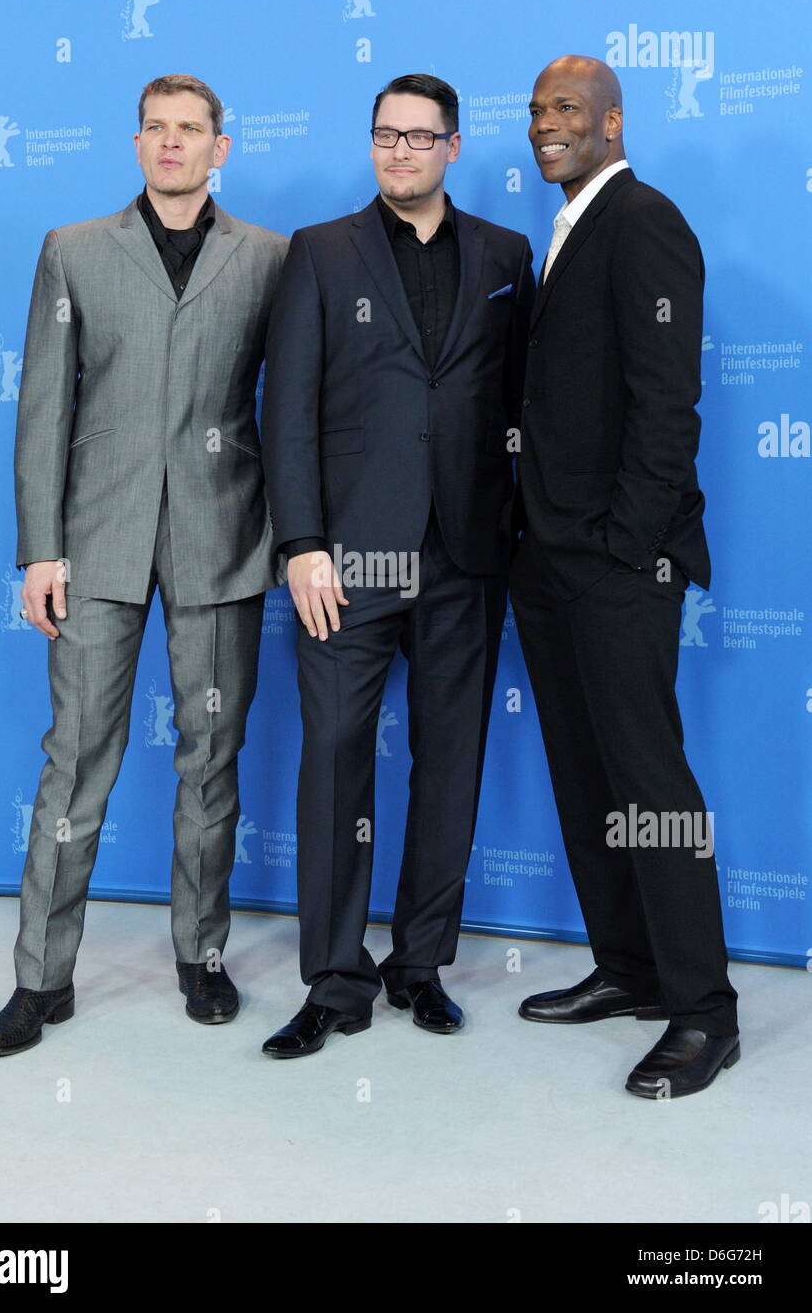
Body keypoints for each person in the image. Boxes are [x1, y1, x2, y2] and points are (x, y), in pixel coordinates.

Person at [0, 74, 288, 1057]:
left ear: (220, 148)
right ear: (135, 142)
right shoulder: (72, 252)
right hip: (96, 544)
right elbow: (43, 412)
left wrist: (290, 533)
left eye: (189, 130)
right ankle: (41, 978)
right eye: (155, 129)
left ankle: (200, 954)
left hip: (221, 541)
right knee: (75, 762)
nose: (171, 144)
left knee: (211, 759)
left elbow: (290, 408)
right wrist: (39, 550)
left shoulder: (270, 260)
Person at [260, 73, 534, 1058]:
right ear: (371, 144)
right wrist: (299, 543)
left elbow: (518, 404)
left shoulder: (507, 255)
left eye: (420, 138)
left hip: (464, 556)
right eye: (386, 136)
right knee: (335, 762)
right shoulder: (320, 253)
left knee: (449, 761)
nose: (401, 152)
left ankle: (419, 965)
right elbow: (285, 405)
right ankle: (335, 982)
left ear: (453, 147)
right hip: (346, 561)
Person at [509, 54, 739, 1099]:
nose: (545, 124)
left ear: (610, 121)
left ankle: (703, 1012)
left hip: (614, 560)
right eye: (536, 110)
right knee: (585, 776)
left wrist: (623, 541)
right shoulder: (563, 230)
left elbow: (666, 403)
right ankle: (631, 967)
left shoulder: (643, 218)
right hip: (548, 557)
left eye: (565, 108)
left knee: (649, 786)